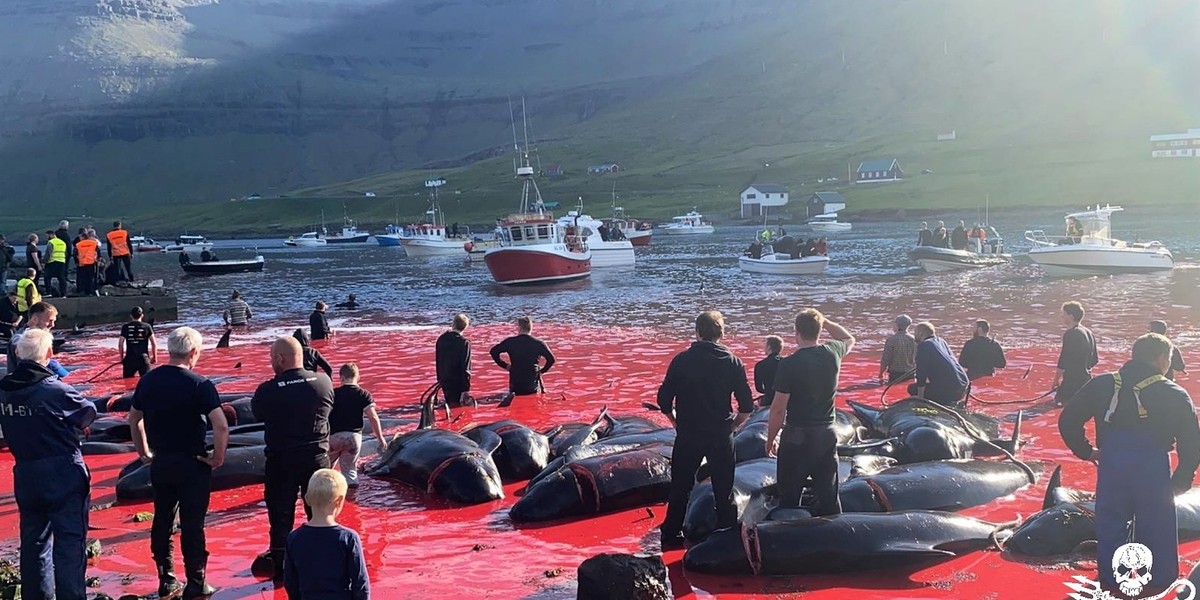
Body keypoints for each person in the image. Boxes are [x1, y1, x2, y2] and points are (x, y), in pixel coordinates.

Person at [1058, 333, 1200, 596]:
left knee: (1110, 522)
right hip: (1153, 467)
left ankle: (1113, 581)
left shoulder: (1102, 384)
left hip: (1112, 465)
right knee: (1156, 525)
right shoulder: (1173, 393)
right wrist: (1181, 479)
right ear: (1161, 359)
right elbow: (1192, 443)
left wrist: (1086, 451)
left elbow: (1068, 420)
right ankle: (1159, 582)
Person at [128, 327, 228, 599]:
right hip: (193, 461)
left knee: (162, 519)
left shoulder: (148, 381)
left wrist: (144, 452)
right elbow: (220, 426)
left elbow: (134, 418)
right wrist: (217, 458)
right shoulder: (200, 384)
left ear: (170, 350)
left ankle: (166, 578)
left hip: (162, 460)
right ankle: (196, 582)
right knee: (193, 524)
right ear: (193, 353)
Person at [0, 329, 97, 600]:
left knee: (34, 543)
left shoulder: (4, 389)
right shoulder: (54, 389)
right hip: (62, 470)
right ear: (50, 354)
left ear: (17, 354)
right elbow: (88, 412)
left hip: (27, 472)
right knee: (69, 543)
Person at [656, 311, 754, 549]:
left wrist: (674, 421)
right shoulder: (732, 361)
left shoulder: (682, 360)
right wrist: (733, 425)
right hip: (720, 432)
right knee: (724, 489)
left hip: (689, 432)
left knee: (681, 486)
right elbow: (747, 405)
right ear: (721, 334)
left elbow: (663, 399)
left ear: (697, 332)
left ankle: (671, 535)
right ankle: (726, 537)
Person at [251, 336, 334, 580]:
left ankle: (281, 569)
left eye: (271, 358)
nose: (270, 362)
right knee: (320, 514)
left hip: (281, 460)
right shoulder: (323, 382)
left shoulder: (268, 389)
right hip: (317, 458)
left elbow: (258, 413)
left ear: (279, 359)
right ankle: (322, 566)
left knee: (280, 518)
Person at [766, 309, 855, 518]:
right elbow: (849, 337)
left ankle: (793, 542)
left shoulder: (788, 363)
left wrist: (770, 439)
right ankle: (835, 539)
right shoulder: (832, 352)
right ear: (819, 330)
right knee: (829, 497)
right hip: (826, 433)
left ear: (796, 332)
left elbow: (778, 408)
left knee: (789, 498)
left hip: (797, 436)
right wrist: (826, 321)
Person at [283, 469, 370, 600]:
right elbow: (360, 582)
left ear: (306, 498)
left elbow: (290, 581)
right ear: (339, 501)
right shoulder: (349, 538)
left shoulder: (294, 538)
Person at [327, 363, 387, 487]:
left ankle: (327, 496)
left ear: (341, 378)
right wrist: (380, 438)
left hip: (333, 437)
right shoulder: (363, 394)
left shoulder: (333, 394)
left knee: (326, 470)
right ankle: (352, 500)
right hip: (353, 437)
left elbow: (323, 415)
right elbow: (373, 417)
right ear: (358, 377)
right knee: (350, 472)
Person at [489, 316, 555, 405]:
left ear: (519, 327)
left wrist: (505, 365)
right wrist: (541, 371)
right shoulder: (539, 343)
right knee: (532, 400)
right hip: (532, 379)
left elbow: (493, 352)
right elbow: (551, 360)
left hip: (516, 379)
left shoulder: (510, 342)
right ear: (531, 328)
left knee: (515, 397)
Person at [908, 322, 969, 407]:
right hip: (963, 386)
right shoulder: (941, 341)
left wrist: (920, 397)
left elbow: (921, 373)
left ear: (920, 333)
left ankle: (937, 405)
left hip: (950, 390)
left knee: (912, 388)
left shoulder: (924, 346)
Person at [1053, 301, 1098, 405]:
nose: (1061, 316)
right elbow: (1095, 360)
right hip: (1086, 381)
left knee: (1060, 404)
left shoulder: (1071, 334)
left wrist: (1055, 381)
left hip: (1072, 382)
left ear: (1071, 316)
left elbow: (1063, 361)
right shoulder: (1089, 332)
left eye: (1063, 314)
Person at [7, 303, 68, 379]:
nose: (52, 325)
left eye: (54, 321)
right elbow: (28, 371)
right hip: (29, 386)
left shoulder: (33, 336)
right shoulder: (22, 340)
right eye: (50, 320)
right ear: (34, 319)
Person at [435, 314, 472, 407]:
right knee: (458, 407)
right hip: (458, 381)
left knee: (449, 403)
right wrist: (466, 389)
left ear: (453, 323)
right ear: (465, 327)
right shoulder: (464, 342)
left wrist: (439, 380)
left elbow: (438, 361)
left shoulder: (441, 339)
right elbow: (465, 367)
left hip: (444, 379)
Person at [118, 307, 158, 379]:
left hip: (129, 359)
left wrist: (121, 358)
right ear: (142, 315)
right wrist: (155, 357)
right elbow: (154, 343)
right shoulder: (147, 326)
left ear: (131, 316)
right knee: (146, 381)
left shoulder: (125, 327)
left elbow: (120, 344)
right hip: (143, 359)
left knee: (127, 382)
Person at [879, 315, 917, 385]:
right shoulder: (915, 340)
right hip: (910, 373)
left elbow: (886, 359)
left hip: (895, 374)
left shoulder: (891, 340)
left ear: (897, 325)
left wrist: (881, 374)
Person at [753, 335, 783, 406]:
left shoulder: (760, 365)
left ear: (769, 347)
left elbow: (759, 388)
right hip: (785, 399)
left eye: (765, 345)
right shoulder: (787, 363)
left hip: (769, 400)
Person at [73, 231, 100, 297]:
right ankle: (90, 291)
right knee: (91, 278)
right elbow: (98, 252)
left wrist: (76, 262)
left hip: (82, 263)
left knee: (82, 278)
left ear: (83, 237)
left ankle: (82, 291)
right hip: (91, 262)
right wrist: (98, 259)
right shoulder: (94, 243)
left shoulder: (78, 244)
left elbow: (75, 254)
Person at [42, 231, 67, 298]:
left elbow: (48, 254)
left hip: (52, 262)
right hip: (61, 261)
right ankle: (64, 294)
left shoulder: (51, 242)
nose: (47, 237)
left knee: (47, 277)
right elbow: (65, 253)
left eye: (47, 236)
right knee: (61, 278)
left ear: (51, 235)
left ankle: (49, 292)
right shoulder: (63, 243)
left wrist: (44, 262)